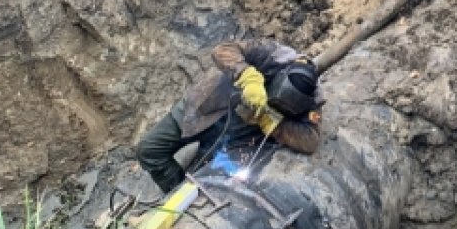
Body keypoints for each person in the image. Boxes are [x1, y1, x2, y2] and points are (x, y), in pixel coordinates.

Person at [136, 38, 324, 194]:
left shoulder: (313, 99)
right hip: (205, 106)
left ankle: (182, 202)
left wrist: (272, 123)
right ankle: (174, 192)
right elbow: (223, 49)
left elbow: (310, 141)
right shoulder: (273, 55)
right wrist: (247, 75)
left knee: (202, 180)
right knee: (149, 150)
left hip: (237, 135)